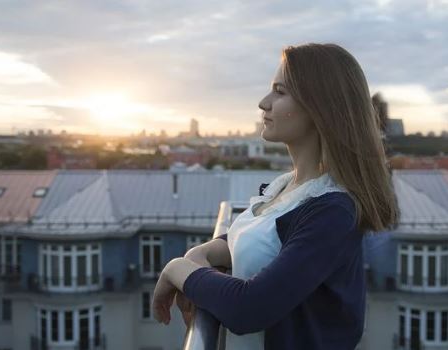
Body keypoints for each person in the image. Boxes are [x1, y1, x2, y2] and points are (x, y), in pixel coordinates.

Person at [151, 43, 399, 350]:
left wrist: (178, 269)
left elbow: (250, 308)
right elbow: (264, 241)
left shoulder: (332, 210)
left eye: (279, 92)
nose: (263, 103)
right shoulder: (288, 186)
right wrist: (203, 253)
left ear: (319, 107)